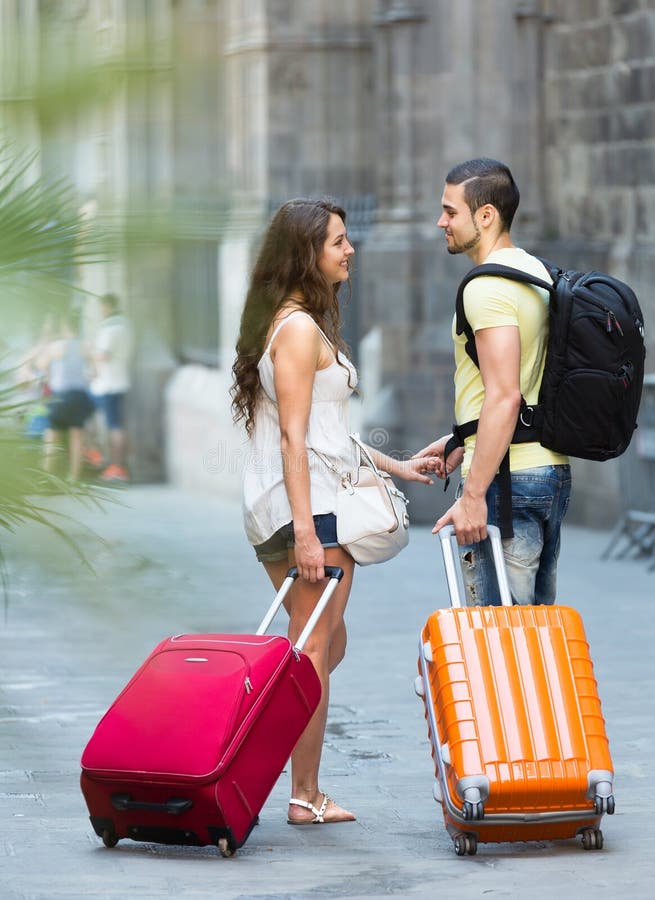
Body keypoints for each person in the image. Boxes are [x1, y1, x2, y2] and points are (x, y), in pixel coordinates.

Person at [231, 197, 439, 825]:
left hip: (303, 503)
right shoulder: (296, 329)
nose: (351, 251)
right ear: (307, 254)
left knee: (322, 643)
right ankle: (303, 793)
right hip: (306, 512)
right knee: (315, 647)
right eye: (339, 242)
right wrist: (305, 534)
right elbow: (295, 438)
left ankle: (267, 750)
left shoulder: (298, 322)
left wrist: (398, 466)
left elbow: (325, 434)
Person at [414, 158, 571, 606]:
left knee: (497, 641)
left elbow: (505, 396)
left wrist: (474, 495)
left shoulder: (486, 287)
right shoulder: (538, 273)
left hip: (509, 481)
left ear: (486, 215)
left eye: (450, 211)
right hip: (547, 470)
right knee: (533, 635)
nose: (440, 221)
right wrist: (463, 437)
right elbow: (526, 381)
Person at [37, 310, 95, 481]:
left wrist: (50, 374)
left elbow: (41, 365)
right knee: (77, 437)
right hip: (78, 394)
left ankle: (46, 477)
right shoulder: (85, 346)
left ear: (64, 326)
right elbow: (94, 372)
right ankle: (74, 478)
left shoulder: (56, 346)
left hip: (60, 395)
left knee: (52, 435)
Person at [90, 293, 133, 482]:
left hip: (107, 385)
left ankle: (115, 466)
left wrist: (89, 351)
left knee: (113, 426)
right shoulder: (126, 326)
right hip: (119, 381)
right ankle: (114, 465)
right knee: (115, 425)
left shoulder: (110, 329)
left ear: (106, 307)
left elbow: (103, 355)